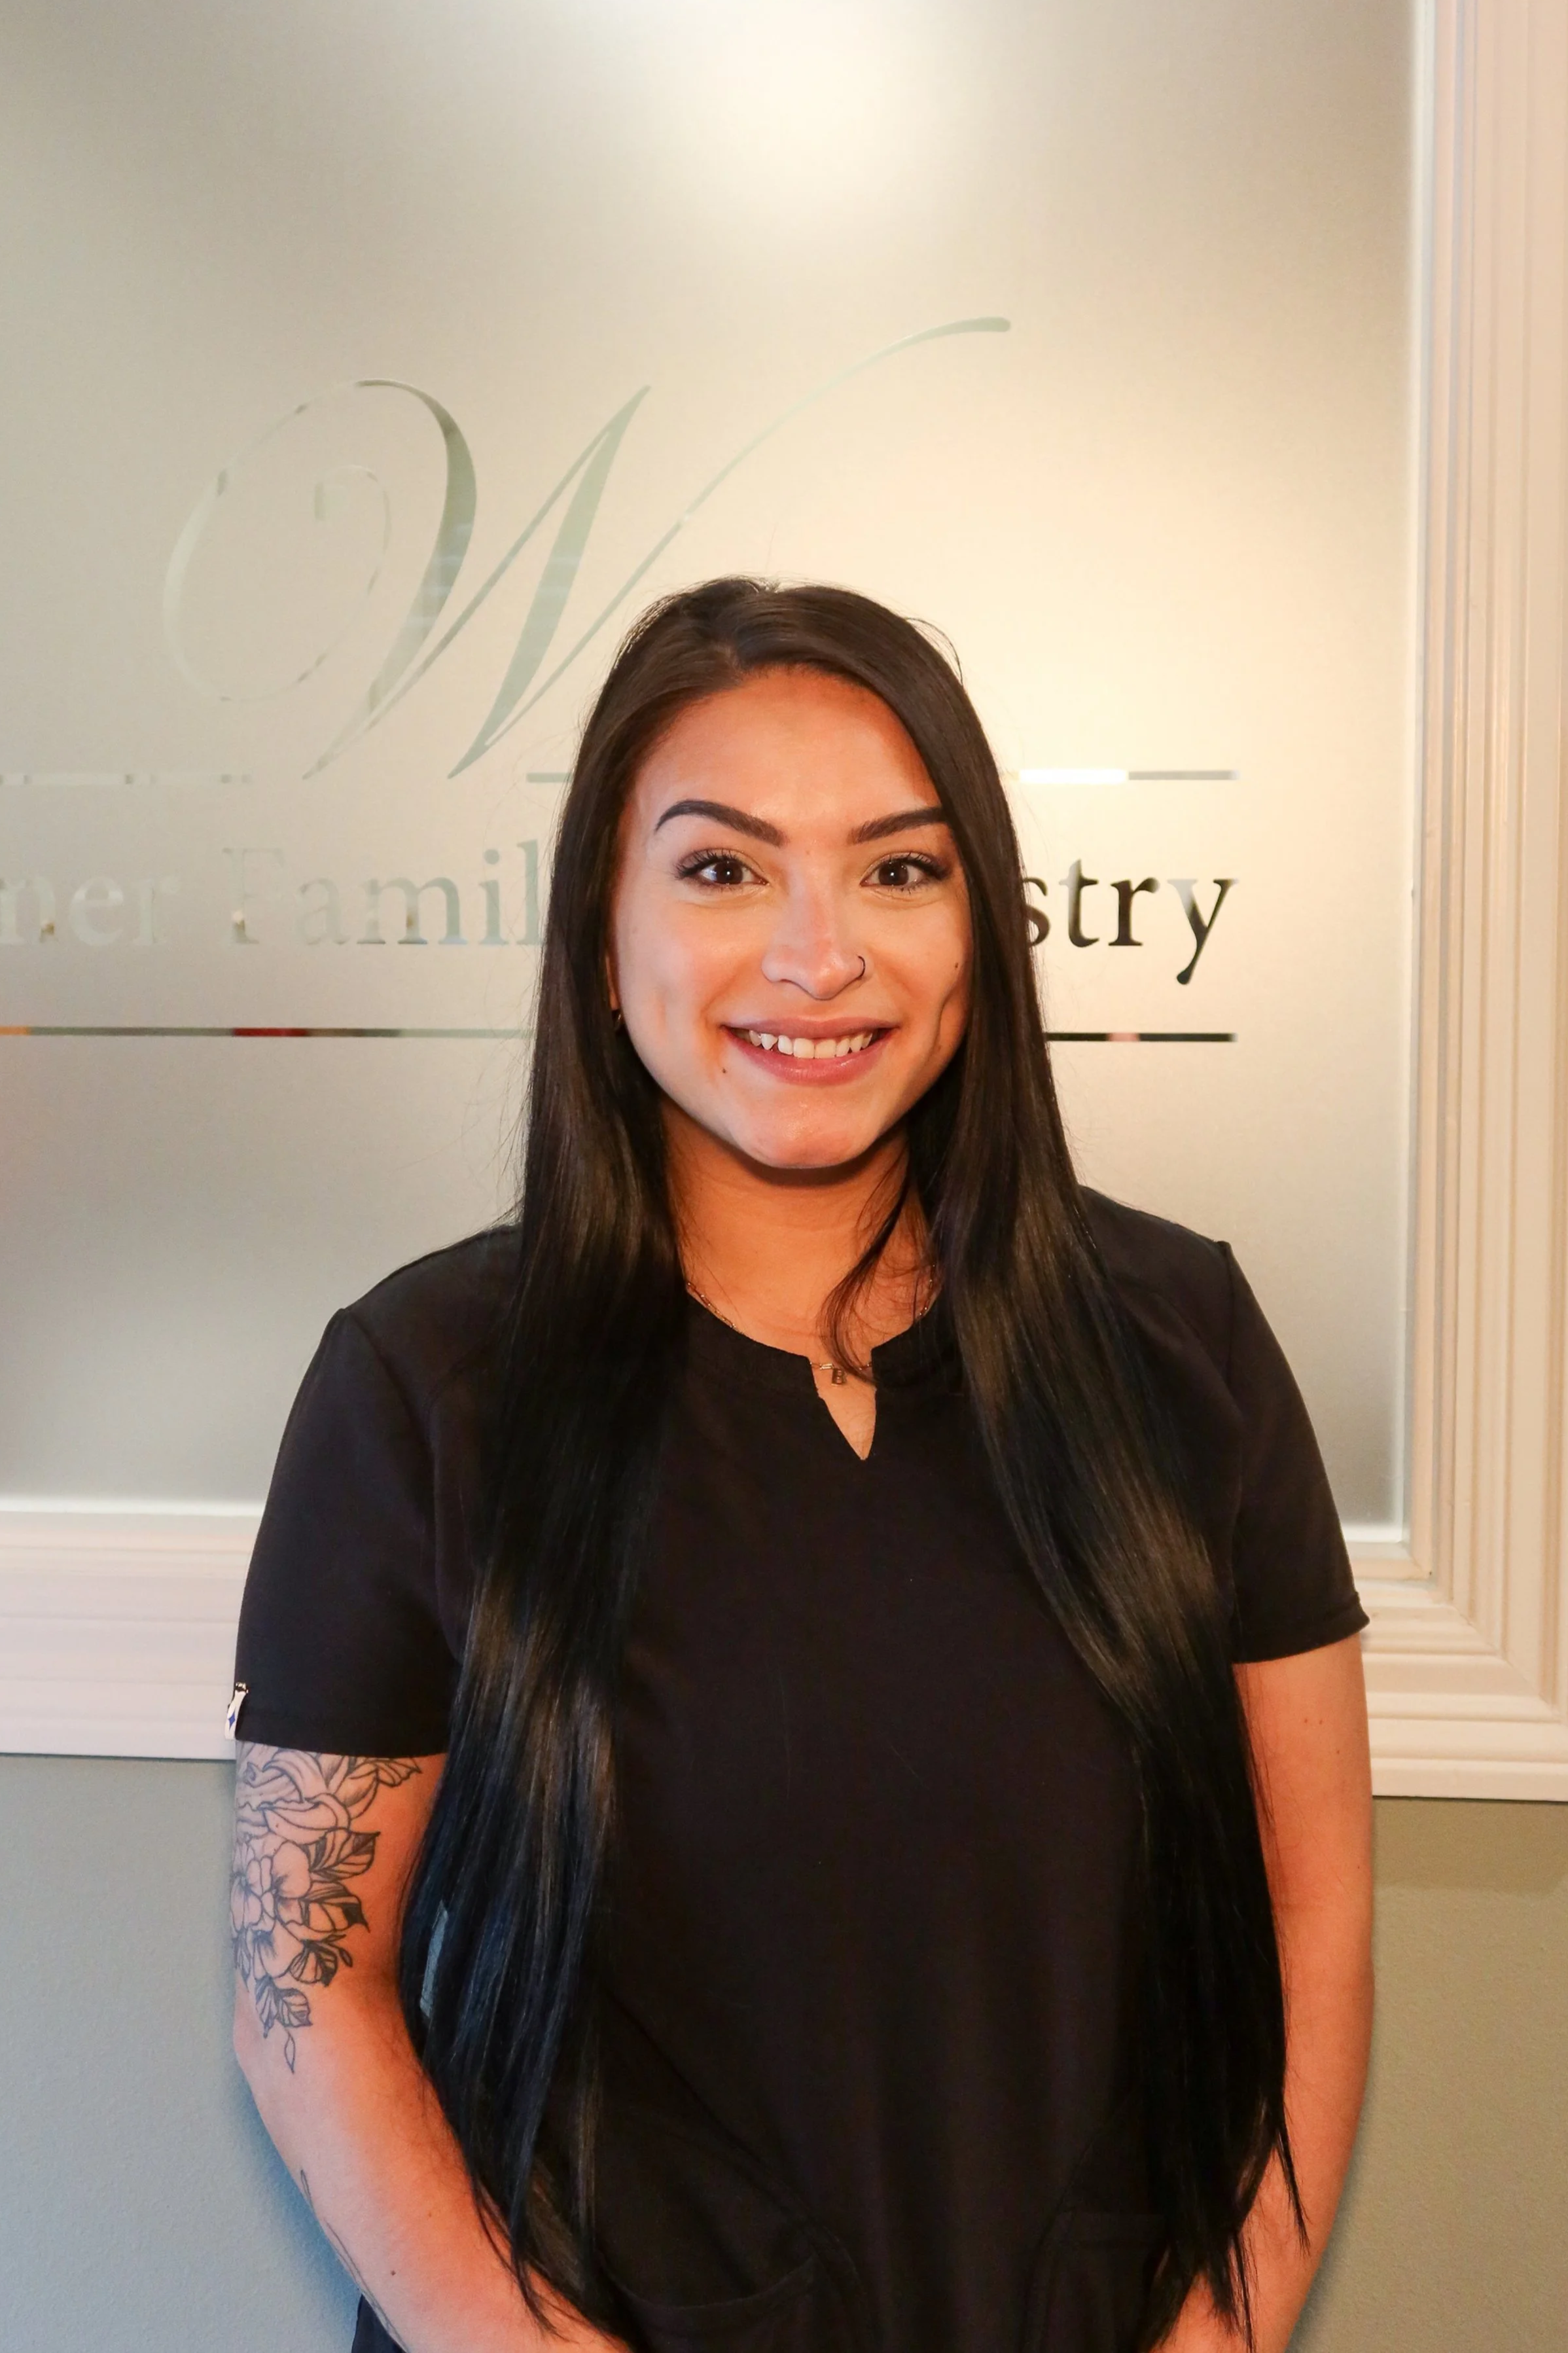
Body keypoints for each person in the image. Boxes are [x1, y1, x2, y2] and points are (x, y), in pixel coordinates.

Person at [229, 579, 1373, 2353]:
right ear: (599, 933)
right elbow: (305, 1998)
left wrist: (1218, 2338)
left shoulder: (1181, 1343)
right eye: (720, 868)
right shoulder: (423, 1389)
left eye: (898, 870)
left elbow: (1311, 1921)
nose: (815, 954)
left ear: (981, 927)